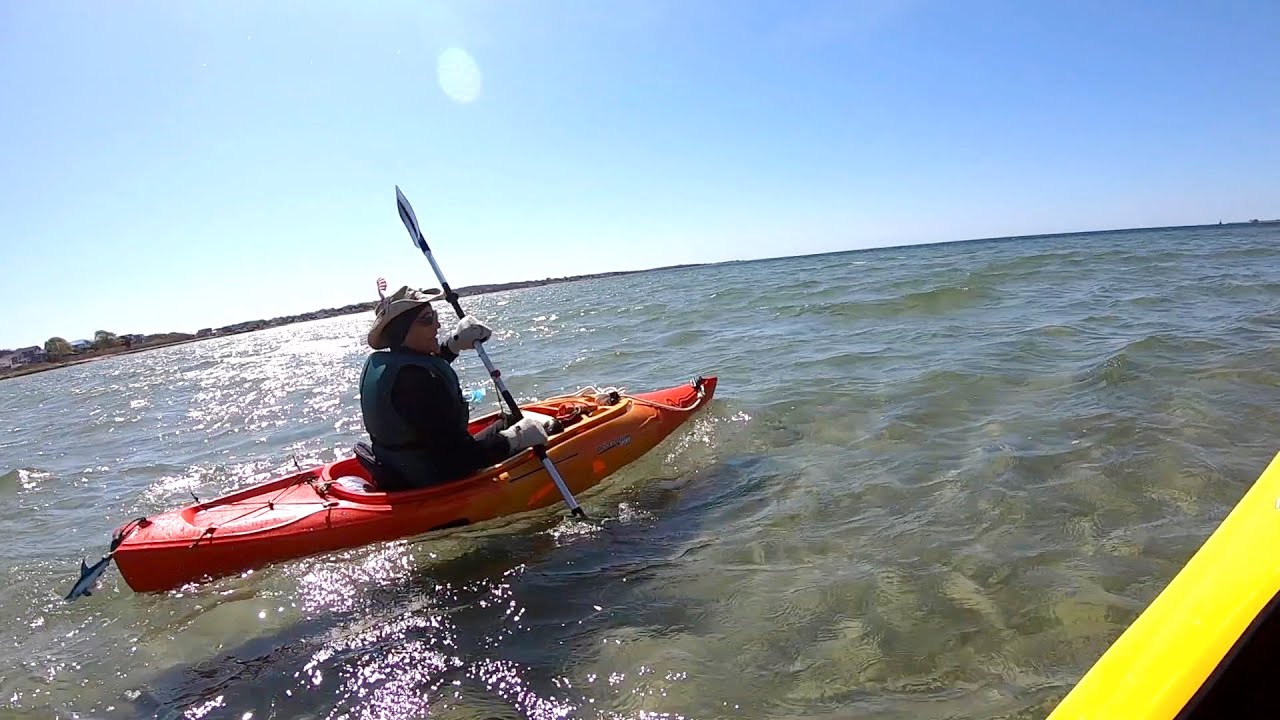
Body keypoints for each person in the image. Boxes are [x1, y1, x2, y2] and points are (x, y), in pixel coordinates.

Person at [354, 285, 555, 491]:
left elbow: (423, 369)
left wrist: (454, 344)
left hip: (405, 466)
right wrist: (515, 439)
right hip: (435, 474)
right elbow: (460, 459)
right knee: (538, 428)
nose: (438, 325)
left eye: (435, 315)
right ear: (402, 331)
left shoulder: (389, 365)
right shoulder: (417, 382)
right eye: (427, 319)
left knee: (512, 419)